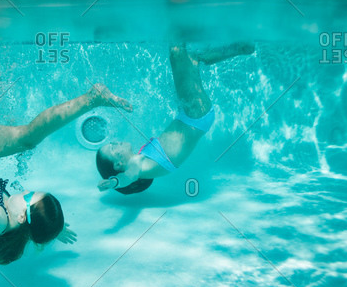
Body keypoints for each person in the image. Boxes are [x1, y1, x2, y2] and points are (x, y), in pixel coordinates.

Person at [0, 44, 132, 265]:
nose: (27, 191)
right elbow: (34, 227)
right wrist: (53, 228)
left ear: (22, 217)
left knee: (26, 139)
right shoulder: (18, 218)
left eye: (29, 196)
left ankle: (92, 98)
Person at [96, 43, 255, 194]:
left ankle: (241, 48)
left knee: (190, 58)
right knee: (177, 52)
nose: (114, 142)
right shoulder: (137, 167)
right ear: (118, 164)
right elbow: (127, 178)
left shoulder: (142, 159)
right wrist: (114, 183)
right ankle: (180, 18)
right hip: (195, 115)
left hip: (190, 115)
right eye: (112, 147)